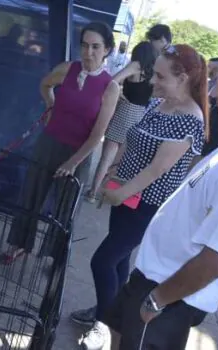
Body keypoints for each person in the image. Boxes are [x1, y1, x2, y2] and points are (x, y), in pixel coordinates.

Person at [98, 28, 218, 350]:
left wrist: (156, 302)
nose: (213, 93)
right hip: (157, 282)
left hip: (167, 294)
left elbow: (216, 259)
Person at [74, 44, 209, 349]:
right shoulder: (158, 104)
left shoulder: (191, 120)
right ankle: (115, 317)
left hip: (146, 205)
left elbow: (156, 171)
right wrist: (114, 173)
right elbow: (132, 140)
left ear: (183, 77)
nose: (152, 82)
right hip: (124, 197)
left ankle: (105, 324)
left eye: (160, 76)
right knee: (119, 263)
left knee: (102, 262)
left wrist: (119, 193)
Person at [0, 22, 120, 264]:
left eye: (96, 47)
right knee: (31, 194)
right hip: (49, 142)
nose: (89, 52)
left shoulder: (110, 87)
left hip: (79, 152)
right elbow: (45, 84)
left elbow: (98, 134)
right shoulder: (68, 69)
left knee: (65, 208)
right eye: (85, 45)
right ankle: (19, 244)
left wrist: (73, 162)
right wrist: (51, 105)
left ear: (107, 49)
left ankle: (55, 257)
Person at [86, 41, 156, 202]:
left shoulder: (135, 66)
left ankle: (93, 192)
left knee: (107, 157)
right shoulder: (153, 72)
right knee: (120, 160)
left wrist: (121, 95)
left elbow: (113, 81)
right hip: (139, 116)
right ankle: (108, 193)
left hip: (125, 111)